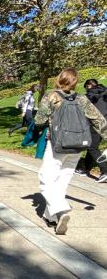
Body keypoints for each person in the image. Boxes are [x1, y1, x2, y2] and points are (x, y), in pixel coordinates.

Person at [34, 68, 107, 235]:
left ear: (59, 79)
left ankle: (62, 208)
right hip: (77, 146)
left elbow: (39, 121)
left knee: (46, 178)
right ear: (75, 82)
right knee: (62, 180)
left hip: (57, 145)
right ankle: (51, 217)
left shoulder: (51, 96)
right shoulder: (82, 98)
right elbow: (98, 120)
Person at [74, 79, 107, 182]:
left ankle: (105, 170)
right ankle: (85, 168)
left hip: (95, 123)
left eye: (86, 87)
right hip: (105, 124)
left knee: (92, 147)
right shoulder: (105, 92)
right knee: (93, 146)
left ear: (88, 86)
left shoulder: (90, 94)